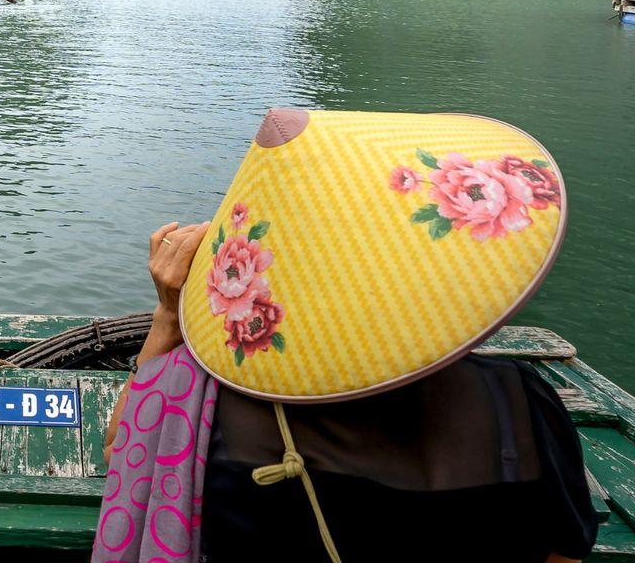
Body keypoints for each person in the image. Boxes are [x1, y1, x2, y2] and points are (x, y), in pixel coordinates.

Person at [98, 108, 596, 563]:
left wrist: (168, 316)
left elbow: (122, 452)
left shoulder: (203, 398)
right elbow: (564, 553)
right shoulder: (518, 402)